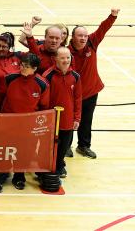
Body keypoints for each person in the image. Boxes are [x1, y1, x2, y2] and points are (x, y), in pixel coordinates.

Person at [0, 53, 49, 193]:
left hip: (28, 127)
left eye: (27, 66)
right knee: (4, 152)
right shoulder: (10, 78)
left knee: (24, 153)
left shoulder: (42, 84)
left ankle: (19, 177)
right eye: (22, 65)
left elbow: (44, 107)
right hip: (7, 125)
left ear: (35, 68)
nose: (23, 68)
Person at [68, 9, 118, 159]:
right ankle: (66, 146)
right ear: (73, 37)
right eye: (80, 35)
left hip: (90, 91)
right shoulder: (65, 50)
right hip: (71, 93)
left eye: (85, 35)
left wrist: (113, 16)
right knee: (68, 120)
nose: (83, 38)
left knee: (86, 120)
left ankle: (83, 146)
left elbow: (103, 28)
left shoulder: (92, 42)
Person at [42, 47, 81, 179]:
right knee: (49, 146)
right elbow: (44, 100)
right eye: (62, 58)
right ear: (55, 59)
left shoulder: (75, 77)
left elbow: (78, 98)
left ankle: (59, 166)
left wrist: (77, 118)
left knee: (64, 145)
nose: (66, 60)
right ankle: (48, 167)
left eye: (68, 57)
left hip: (68, 120)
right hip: (52, 120)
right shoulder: (48, 76)